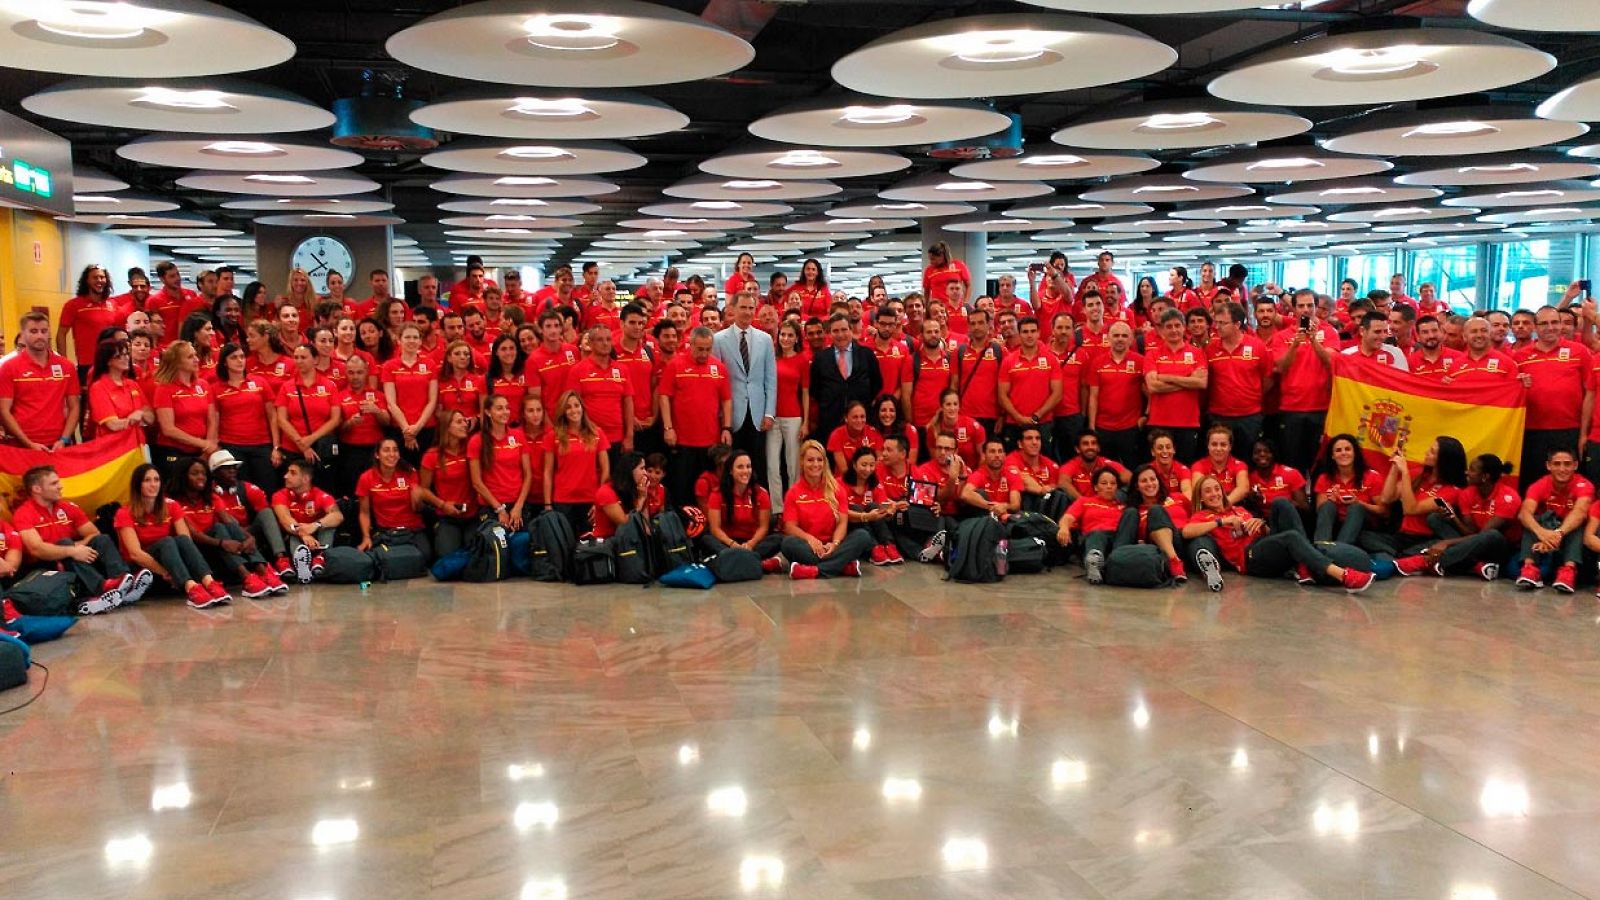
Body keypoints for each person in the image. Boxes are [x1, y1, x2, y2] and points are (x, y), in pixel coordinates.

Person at [1183, 474, 1375, 593]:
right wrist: (1220, 521)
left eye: (1217, 489)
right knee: (1291, 537)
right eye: (1208, 491)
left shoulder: (1238, 509)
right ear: (1201, 497)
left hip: (1263, 542)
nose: (1214, 494)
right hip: (1249, 558)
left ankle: (1303, 565)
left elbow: (1265, 533)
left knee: (1281, 503)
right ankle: (1344, 576)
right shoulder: (1202, 515)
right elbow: (1187, 532)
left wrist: (1260, 523)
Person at [14, 465, 150, 614]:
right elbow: (36, 549)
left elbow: (93, 533)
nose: (60, 487)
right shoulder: (23, 513)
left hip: (72, 557)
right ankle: (102, 588)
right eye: (54, 483)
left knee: (102, 539)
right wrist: (71, 550)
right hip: (44, 567)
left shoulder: (67, 507)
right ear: (37, 489)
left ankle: (123, 583)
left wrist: (77, 547)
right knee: (65, 544)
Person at [116, 464, 231, 609]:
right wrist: (166, 573)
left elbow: (186, 541)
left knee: (181, 540)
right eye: (147, 480)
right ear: (137, 485)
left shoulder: (171, 505)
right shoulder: (124, 512)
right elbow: (135, 554)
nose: (153, 485)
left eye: (156, 480)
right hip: (144, 569)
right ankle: (191, 588)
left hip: (171, 563)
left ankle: (209, 582)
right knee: (167, 541)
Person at [169, 455, 281, 597]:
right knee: (219, 529)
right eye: (194, 473)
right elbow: (193, 534)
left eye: (203, 473)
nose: (201, 477)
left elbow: (229, 521)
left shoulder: (211, 496)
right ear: (183, 476)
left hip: (218, 545)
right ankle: (246, 577)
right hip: (195, 549)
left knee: (221, 527)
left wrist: (249, 537)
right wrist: (222, 543)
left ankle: (262, 570)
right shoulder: (173, 501)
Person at [1516, 306, 1591, 492]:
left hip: (1570, 431)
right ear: (1534, 327)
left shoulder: (1580, 352)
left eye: (1555, 322)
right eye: (1544, 323)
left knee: (1570, 485)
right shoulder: (1519, 357)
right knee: (1533, 483)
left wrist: (1584, 433)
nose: (1550, 327)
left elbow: (1591, 393)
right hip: (1531, 432)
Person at [1371, 437, 1469, 571]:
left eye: (1432, 452)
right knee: (1364, 537)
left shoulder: (1452, 491)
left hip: (1424, 538)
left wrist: (1405, 472)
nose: (1427, 453)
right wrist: (1395, 466)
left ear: (1443, 460)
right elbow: (1386, 498)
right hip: (1401, 536)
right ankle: (1397, 557)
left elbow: (1410, 509)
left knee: (1429, 549)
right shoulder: (1420, 473)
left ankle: (1394, 557)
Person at [661, 325, 733, 507]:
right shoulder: (675, 365)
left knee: (707, 488)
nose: (704, 353)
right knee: (683, 489)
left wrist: (727, 428)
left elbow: (726, 400)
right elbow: (664, 397)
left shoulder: (719, 368)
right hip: (683, 440)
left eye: (708, 349)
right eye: (700, 349)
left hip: (711, 441)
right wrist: (668, 428)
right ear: (690, 344)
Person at [781, 440, 875, 579]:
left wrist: (835, 544)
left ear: (825, 462)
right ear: (802, 462)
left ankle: (816, 570)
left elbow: (843, 522)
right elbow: (790, 527)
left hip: (834, 545)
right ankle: (841, 565)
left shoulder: (837, 489)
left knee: (863, 536)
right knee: (788, 544)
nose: (815, 464)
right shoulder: (793, 493)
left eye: (820, 460)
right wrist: (810, 539)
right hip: (809, 547)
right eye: (810, 460)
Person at [713, 290, 778, 486]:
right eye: (743, 307)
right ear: (732, 309)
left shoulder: (765, 340)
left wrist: (769, 413)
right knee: (732, 466)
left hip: (758, 414)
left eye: (751, 308)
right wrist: (721, 417)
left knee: (757, 464)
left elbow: (771, 379)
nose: (748, 312)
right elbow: (717, 382)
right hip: (732, 414)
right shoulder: (719, 339)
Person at [0, 311, 80, 450]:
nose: (39, 336)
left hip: (58, 444)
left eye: (44, 331)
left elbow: (74, 407)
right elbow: (3, 410)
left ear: (49, 333)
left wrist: (64, 439)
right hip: (21, 445)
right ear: (23, 334)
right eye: (33, 331)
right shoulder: (9, 367)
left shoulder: (67, 366)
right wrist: (28, 443)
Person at [1516, 447, 1592, 592]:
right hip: (1542, 542)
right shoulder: (1539, 485)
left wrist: (1558, 534)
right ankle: (1530, 569)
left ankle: (1568, 571)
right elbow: (1524, 513)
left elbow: (1580, 512)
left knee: (1578, 523)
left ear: (1575, 465)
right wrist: (1541, 533)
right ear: (1548, 465)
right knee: (1532, 520)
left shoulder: (1584, 485)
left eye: (1567, 464)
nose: (1562, 469)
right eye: (1557, 464)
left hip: (1570, 542)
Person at [213, 343, 282, 493]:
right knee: (241, 491)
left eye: (242, 357)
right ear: (225, 362)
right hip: (232, 445)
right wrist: (216, 446)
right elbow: (214, 421)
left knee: (269, 488)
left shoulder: (260, 382)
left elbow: (272, 416)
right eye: (234, 357)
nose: (239, 361)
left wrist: (276, 447)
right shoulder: (216, 388)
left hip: (262, 444)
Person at [543, 390, 611, 536]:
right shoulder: (552, 436)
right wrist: (548, 504)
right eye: (568, 407)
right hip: (562, 500)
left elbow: (605, 469)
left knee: (588, 546)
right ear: (563, 411)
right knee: (565, 545)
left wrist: (599, 501)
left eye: (576, 405)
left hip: (590, 499)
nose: (573, 410)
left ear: (582, 407)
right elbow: (548, 472)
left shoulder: (597, 433)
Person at [1143, 308, 1207, 461]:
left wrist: (1165, 377)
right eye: (1169, 326)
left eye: (1177, 325)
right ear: (1162, 330)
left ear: (1184, 327)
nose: (1174, 330)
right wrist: (1188, 380)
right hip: (1159, 422)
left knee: (1185, 468)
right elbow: (1153, 386)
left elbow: (1202, 383)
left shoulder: (1197, 353)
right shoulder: (1152, 354)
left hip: (1188, 422)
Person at [808, 312, 882, 443]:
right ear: (829, 333)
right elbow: (815, 389)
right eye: (835, 331)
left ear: (851, 330)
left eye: (844, 329)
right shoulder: (820, 358)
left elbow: (877, 383)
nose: (840, 335)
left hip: (861, 420)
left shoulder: (866, 354)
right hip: (830, 421)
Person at [353, 437, 430, 560]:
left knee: (425, 556)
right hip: (386, 531)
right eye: (386, 450)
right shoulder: (366, 478)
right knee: (384, 559)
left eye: (395, 450)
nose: (392, 454)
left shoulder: (410, 472)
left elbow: (418, 509)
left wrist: (418, 498)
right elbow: (364, 513)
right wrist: (366, 537)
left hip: (412, 529)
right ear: (377, 455)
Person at [270, 458, 343, 584]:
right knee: (294, 530)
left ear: (305, 479)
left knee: (328, 524)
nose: (285, 476)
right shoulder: (280, 495)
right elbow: (285, 518)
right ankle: (300, 565)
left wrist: (316, 525)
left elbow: (338, 516)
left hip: (316, 535)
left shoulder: (320, 495)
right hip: (294, 535)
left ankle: (320, 558)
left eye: (292, 473)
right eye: (287, 472)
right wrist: (303, 533)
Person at [468, 394, 533, 531]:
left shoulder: (518, 435)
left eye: (507, 408)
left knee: (523, 544)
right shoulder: (476, 441)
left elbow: (528, 475)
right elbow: (476, 482)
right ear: (487, 412)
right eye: (499, 408)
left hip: (518, 504)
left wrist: (518, 506)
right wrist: (499, 509)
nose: (505, 412)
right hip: (492, 506)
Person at [151, 340, 217, 474]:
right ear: (177, 362)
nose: (196, 359)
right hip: (173, 451)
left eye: (195, 355)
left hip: (202, 451)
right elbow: (168, 429)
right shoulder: (164, 389)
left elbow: (212, 419)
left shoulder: (203, 385)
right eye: (190, 357)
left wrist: (207, 448)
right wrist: (202, 443)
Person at [275, 344, 342, 475]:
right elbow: (281, 420)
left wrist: (312, 438)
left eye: (303, 357)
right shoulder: (286, 387)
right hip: (292, 449)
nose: (299, 361)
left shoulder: (329, 386)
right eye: (296, 357)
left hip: (321, 448)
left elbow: (335, 419)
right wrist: (302, 444)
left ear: (315, 359)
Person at [420, 410, 477, 560]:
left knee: (476, 553)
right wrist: (443, 504)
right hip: (447, 516)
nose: (465, 424)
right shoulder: (431, 456)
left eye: (465, 421)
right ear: (446, 427)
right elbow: (423, 490)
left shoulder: (472, 449)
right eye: (459, 422)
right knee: (447, 557)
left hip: (473, 515)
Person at [1086, 321, 1144, 467]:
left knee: (1132, 469)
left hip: (1130, 427)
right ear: (1109, 338)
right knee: (1105, 471)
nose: (1120, 339)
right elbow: (1093, 396)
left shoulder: (1140, 361)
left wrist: (1146, 415)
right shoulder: (1097, 362)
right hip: (1103, 427)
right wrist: (1092, 426)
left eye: (1124, 336)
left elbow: (1151, 393)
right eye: (1116, 335)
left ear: (1131, 339)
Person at [1310, 433, 1386, 545]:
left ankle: (1340, 550)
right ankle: (1321, 546)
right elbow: (1320, 509)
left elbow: (1384, 511)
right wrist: (1331, 499)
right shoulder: (1324, 478)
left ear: (1355, 453)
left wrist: (1360, 503)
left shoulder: (1372, 476)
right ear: (1332, 456)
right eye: (1338, 450)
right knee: (1327, 506)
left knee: (1356, 507)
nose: (1343, 453)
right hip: (1336, 524)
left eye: (1347, 449)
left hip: (1364, 526)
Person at [382, 322, 438, 465]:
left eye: (415, 337)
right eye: (407, 337)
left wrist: (417, 427)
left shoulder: (430, 364)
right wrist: (407, 430)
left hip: (426, 428)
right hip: (399, 429)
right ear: (399, 340)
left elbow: (432, 401)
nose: (412, 341)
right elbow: (391, 403)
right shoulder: (389, 366)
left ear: (420, 341)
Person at [1056, 468, 1125, 583]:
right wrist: (1064, 528)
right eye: (1104, 483)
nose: (1109, 486)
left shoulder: (1124, 506)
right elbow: (1067, 517)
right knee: (1097, 534)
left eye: (1113, 483)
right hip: (1094, 538)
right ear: (1095, 487)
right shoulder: (1084, 501)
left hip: (1117, 540)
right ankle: (1094, 562)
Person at [769, 320, 810, 514]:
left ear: (796, 338)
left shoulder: (802, 360)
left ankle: (794, 506)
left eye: (790, 335)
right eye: (782, 335)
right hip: (772, 416)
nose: (785, 339)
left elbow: (805, 392)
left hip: (793, 416)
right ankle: (777, 509)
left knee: (793, 464)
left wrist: (806, 421)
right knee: (772, 464)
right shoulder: (771, 357)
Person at [842, 446, 901, 565]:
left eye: (872, 465)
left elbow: (883, 508)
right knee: (855, 508)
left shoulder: (875, 484)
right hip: (850, 528)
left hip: (872, 526)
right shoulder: (840, 483)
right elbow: (841, 513)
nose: (868, 469)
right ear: (854, 465)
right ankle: (873, 548)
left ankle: (888, 545)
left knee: (873, 505)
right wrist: (866, 516)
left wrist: (890, 510)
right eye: (863, 465)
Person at [86, 339, 153, 442]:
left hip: (138, 443)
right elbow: (113, 425)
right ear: (108, 361)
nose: (126, 358)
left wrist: (140, 414)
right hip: (114, 447)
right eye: (119, 356)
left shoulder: (132, 384)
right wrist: (132, 419)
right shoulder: (98, 387)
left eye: (126, 354)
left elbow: (150, 417)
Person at [60, 264, 121, 377]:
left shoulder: (113, 304)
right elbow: (61, 334)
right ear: (86, 281)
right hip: (87, 364)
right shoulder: (73, 305)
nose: (99, 280)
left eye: (102, 277)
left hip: (111, 362)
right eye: (95, 277)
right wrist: (64, 362)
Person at [1059, 430, 1130, 500]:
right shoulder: (1070, 465)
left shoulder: (1107, 463)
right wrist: (1084, 502)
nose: (1090, 447)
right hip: (1082, 506)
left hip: (1107, 506)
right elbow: (1063, 483)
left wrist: (1114, 495)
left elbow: (1131, 479)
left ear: (1098, 448)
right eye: (1085, 444)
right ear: (1077, 449)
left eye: (1093, 443)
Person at [1247, 438, 1309, 517]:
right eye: (1257, 452)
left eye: (1267, 451)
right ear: (1252, 456)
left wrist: (1284, 504)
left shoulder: (1291, 473)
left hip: (1287, 519)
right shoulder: (1249, 477)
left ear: (1274, 454)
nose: (1262, 454)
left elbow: (1304, 508)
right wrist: (1252, 499)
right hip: (1261, 521)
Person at [962, 439, 1020, 521]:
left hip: (1007, 519)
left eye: (1000, 451)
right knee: (980, 493)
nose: (997, 455)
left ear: (1004, 455)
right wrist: (991, 506)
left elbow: (1015, 505)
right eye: (992, 451)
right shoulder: (978, 474)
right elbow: (965, 494)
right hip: (986, 519)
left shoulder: (1012, 474)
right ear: (984, 455)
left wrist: (1004, 506)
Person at [1191, 425, 1250, 506]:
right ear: (1208, 446)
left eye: (1223, 445)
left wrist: (1223, 504)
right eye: (1214, 444)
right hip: (1208, 508)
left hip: (1234, 506)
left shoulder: (1240, 465)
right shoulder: (1198, 465)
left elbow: (1243, 489)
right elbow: (1198, 490)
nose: (1218, 449)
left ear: (1230, 447)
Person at [1147, 430, 1193, 505]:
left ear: (1174, 450)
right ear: (1153, 452)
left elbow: (1187, 493)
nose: (1165, 451)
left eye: (1168, 447)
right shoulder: (1147, 471)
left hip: (1177, 507)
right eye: (1160, 448)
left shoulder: (1183, 469)